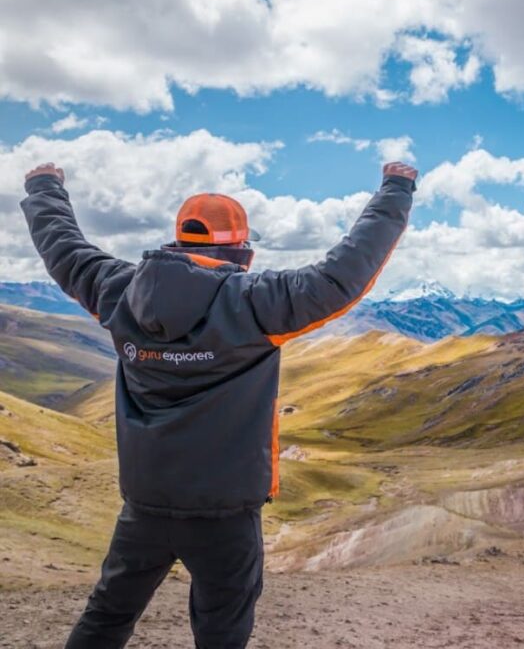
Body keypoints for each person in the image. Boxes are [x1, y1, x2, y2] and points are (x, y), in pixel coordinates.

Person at [20, 160, 418, 648]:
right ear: (242, 252)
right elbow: (345, 272)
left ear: (177, 242)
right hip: (225, 515)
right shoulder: (255, 303)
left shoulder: (120, 291)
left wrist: (44, 187)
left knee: (107, 617)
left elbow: (63, 249)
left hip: (144, 506)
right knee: (222, 633)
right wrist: (396, 188)